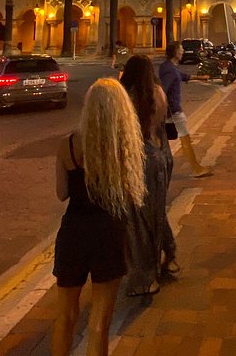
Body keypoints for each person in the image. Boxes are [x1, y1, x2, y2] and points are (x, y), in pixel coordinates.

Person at [50, 78, 145, 356]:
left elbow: (61, 194)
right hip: (108, 232)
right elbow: (130, 193)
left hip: (74, 231)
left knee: (65, 317)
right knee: (99, 323)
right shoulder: (122, 147)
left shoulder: (67, 145)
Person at [120, 55, 177, 294]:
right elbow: (166, 123)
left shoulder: (130, 98)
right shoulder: (159, 93)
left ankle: (147, 274)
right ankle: (170, 255)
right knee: (157, 211)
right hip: (163, 156)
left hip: (142, 160)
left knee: (141, 219)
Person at [158, 42, 213, 178]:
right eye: (181, 49)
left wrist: (200, 77)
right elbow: (163, 89)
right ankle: (196, 168)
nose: (182, 52)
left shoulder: (171, 67)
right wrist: (164, 108)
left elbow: (183, 76)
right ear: (175, 52)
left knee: (163, 139)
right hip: (173, 110)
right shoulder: (169, 69)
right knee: (184, 137)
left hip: (171, 110)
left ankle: (164, 166)